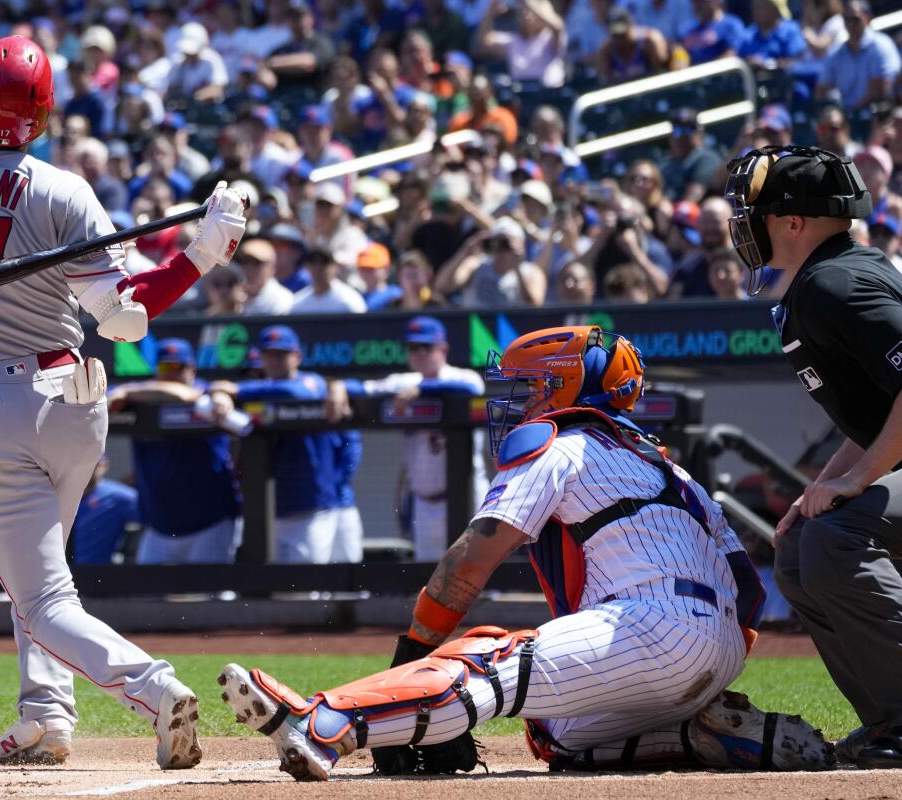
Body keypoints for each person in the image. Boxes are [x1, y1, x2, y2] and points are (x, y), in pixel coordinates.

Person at [219, 324, 833, 781]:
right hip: (719, 648)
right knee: (555, 729)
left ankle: (327, 723)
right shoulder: (667, 465)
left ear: (563, 387)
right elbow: (749, 591)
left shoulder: (561, 444)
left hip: (653, 625)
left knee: (488, 657)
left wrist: (412, 656)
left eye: (529, 386)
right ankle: (707, 735)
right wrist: (704, 668)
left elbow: (471, 559)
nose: (514, 399)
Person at [0, 36, 245, 770]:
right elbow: (122, 319)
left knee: (43, 596)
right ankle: (45, 716)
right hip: (75, 403)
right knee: (44, 579)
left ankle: (153, 688)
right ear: (45, 111)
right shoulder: (65, 191)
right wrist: (201, 252)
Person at [725, 145, 902, 768]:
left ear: (793, 221)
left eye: (757, 212)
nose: (743, 224)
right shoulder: (826, 277)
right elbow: (876, 417)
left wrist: (854, 483)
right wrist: (819, 487)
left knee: (837, 537)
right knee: (803, 544)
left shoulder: (836, 282)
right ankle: (890, 720)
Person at [333, 317, 486, 561]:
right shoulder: (403, 382)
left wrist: (423, 390)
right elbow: (360, 388)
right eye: (412, 348)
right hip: (424, 503)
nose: (417, 354)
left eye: (424, 348)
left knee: (474, 577)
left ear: (443, 349)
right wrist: (338, 387)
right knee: (428, 576)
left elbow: (471, 390)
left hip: (466, 497)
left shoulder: (464, 377)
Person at [211, 325, 354, 563]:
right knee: (264, 588)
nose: (274, 360)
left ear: (297, 356)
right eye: (269, 354)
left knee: (305, 588)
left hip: (310, 509)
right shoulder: (253, 391)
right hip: (267, 510)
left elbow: (295, 393)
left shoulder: (312, 383)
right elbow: (206, 391)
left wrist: (234, 390)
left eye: (281, 353)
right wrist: (220, 394)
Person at [107, 340, 242, 565]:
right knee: (148, 597)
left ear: (192, 369)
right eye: (164, 368)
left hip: (209, 522)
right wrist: (125, 391)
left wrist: (127, 390)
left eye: (177, 368)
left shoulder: (207, 394)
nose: (170, 373)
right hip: (159, 527)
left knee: (209, 598)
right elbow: (108, 395)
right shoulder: (139, 396)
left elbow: (186, 394)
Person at [816, 0, 900, 111]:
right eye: (847, 19)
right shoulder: (837, 52)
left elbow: (881, 89)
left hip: (876, 116)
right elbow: (821, 90)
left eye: (855, 19)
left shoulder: (881, 46)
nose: (851, 24)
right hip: (845, 117)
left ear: (867, 18)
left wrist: (852, 112)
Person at [70, 459, 139, 566]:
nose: (86, 469)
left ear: (104, 465)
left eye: (92, 463)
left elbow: (155, 516)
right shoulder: (53, 492)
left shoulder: (118, 496)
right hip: (53, 571)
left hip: (96, 573)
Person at [290, 246, 368, 314]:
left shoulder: (349, 300)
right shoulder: (298, 303)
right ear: (306, 267)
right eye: (313, 263)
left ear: (335, 266)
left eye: (324, 262)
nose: (318, 268)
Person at [237, 238, 295, 315]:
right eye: (244, 262)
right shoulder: (233, 296)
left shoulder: (282, 299)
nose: (248, 268)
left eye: (256, 263)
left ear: (272, 267)